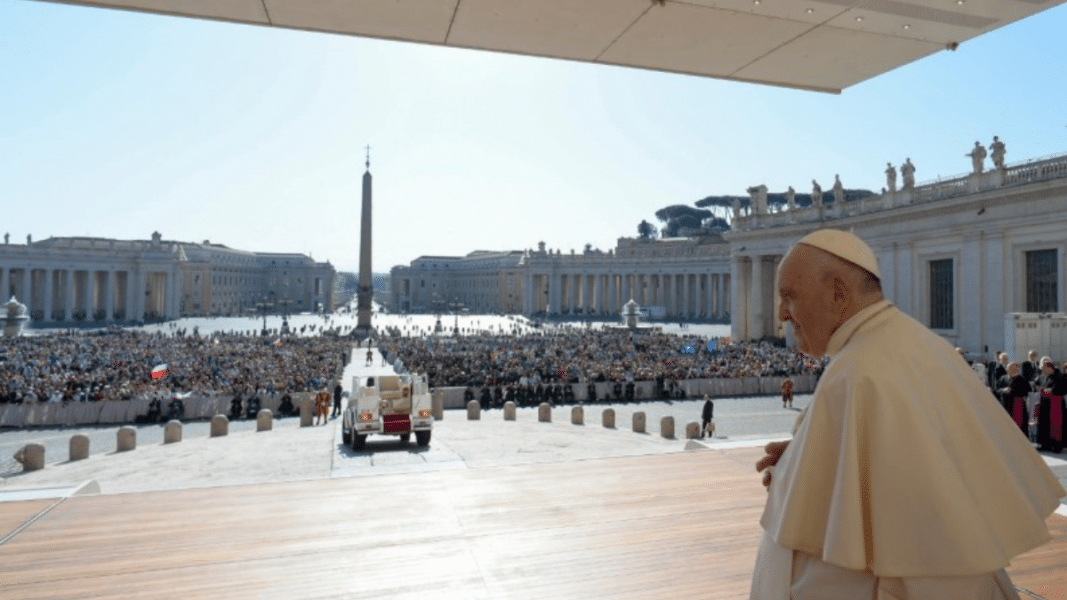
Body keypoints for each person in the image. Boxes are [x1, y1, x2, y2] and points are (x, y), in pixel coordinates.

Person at [751, 229, 1064, 600]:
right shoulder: (916, 344)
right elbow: (895, 458)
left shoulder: (860, 371)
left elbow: (911, 521)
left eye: (790, 296)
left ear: (838, 293)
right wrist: (806, 458)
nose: (782, 314)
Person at [1036, 358, 1066, 453]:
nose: (1042, 370)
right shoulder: (1049, 376)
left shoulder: (1060, 375)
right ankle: (1046, 444)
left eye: (1043, 368)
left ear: (1049, 368)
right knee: (1046, 424)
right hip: (1047, 403)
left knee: (1056, 425)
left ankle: (1057, 445)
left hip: (1056, 403)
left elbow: (1063, 389)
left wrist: (1052, 391)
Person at [999, 362, 1031, 436]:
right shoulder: (1003, 378)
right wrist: (1003, 390)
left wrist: (1011, 391)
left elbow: (1025, 391)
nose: (1007, 369)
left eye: (1010, 367)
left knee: (1019, 426)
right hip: (1005, 404)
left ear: (1016, 369)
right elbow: (997, 389)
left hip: (1017, 405)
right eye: (1007, 367)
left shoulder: (1022, 379)